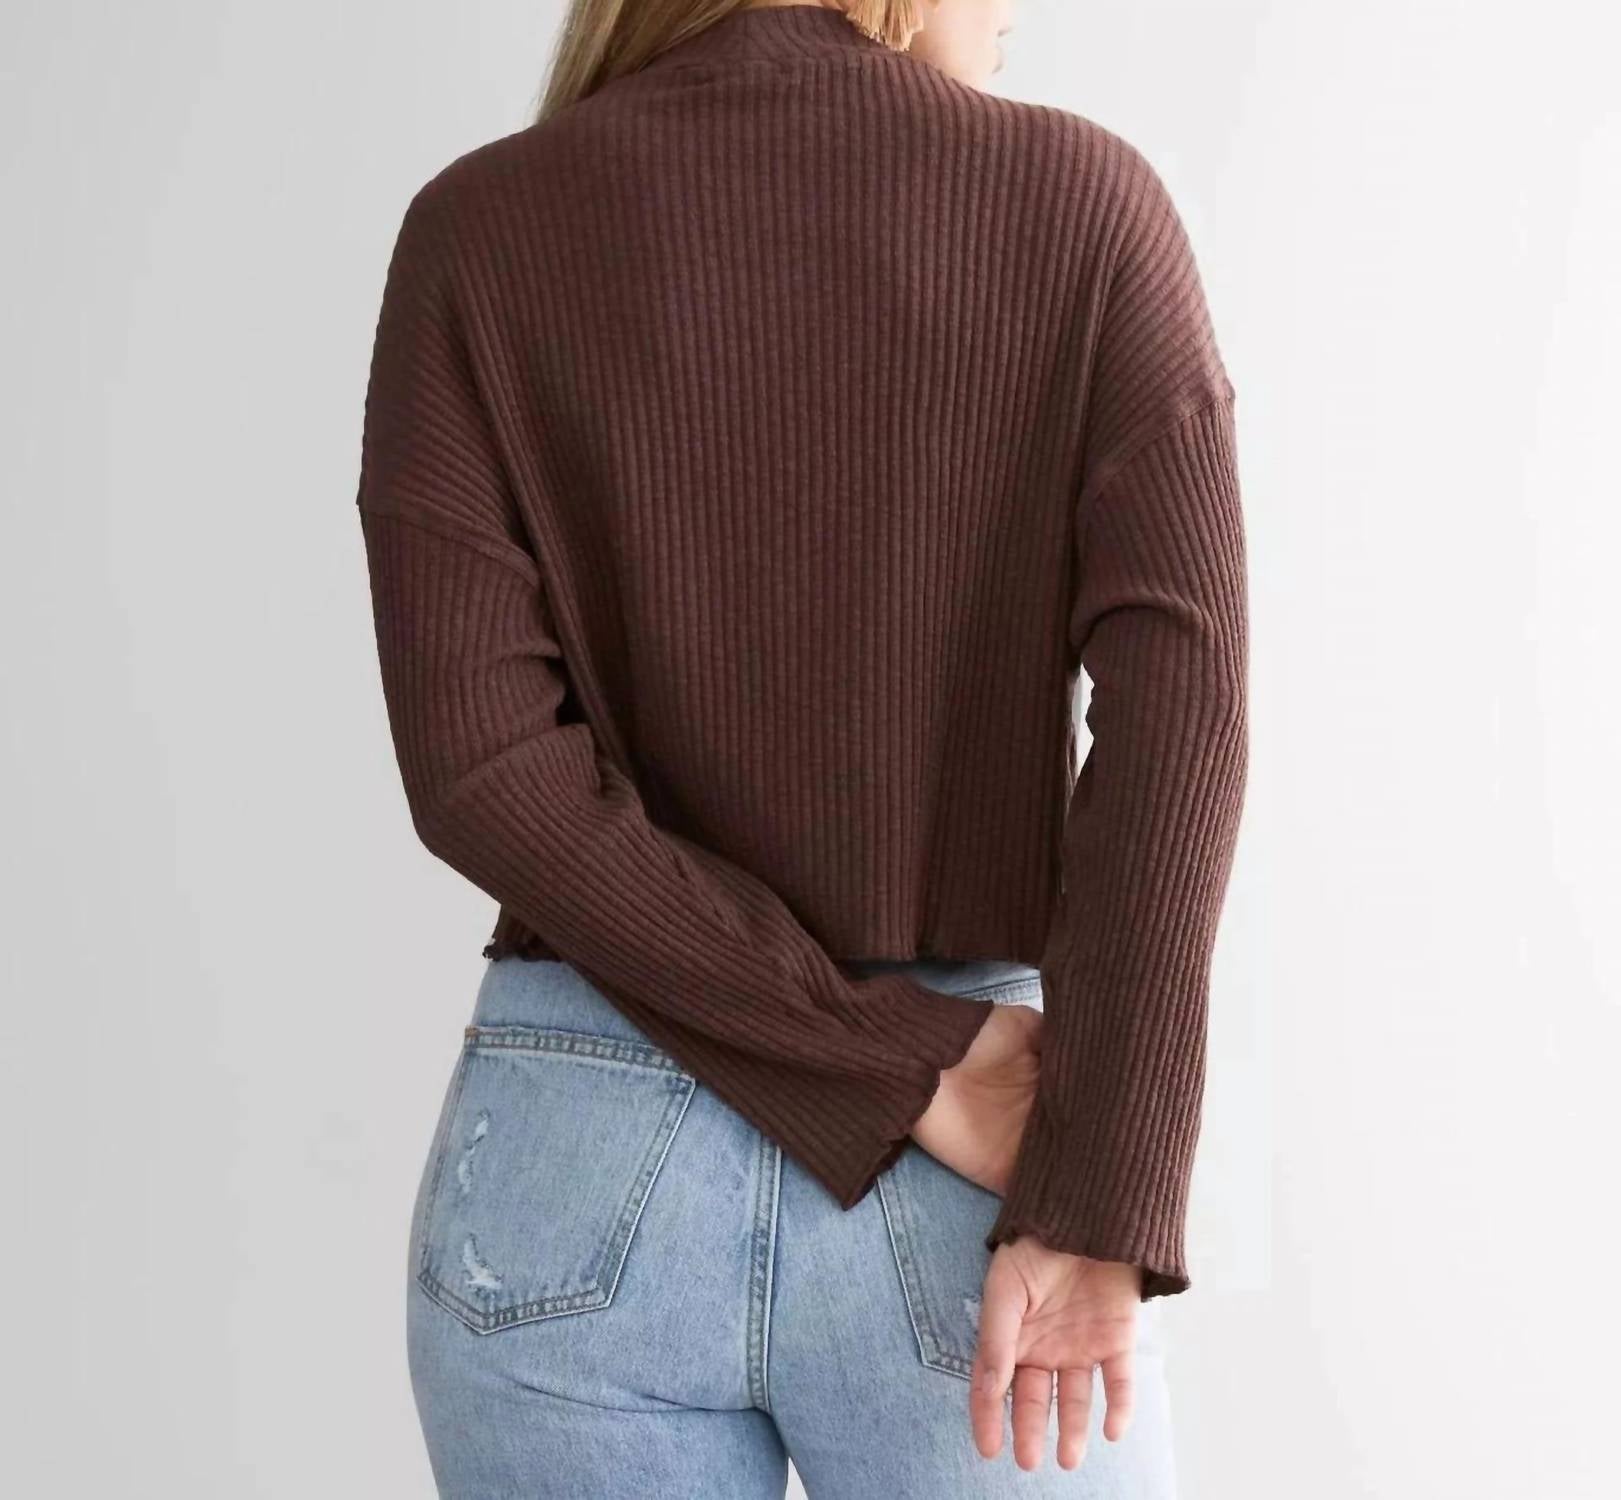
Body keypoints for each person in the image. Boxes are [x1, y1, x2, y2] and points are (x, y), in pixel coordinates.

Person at [353, 1, 1248, 1494]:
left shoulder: (475, 229)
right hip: (975, 1155)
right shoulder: (1085, 205)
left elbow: (485, 774)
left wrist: (928, 1080)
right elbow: (1181, 720)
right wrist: (1092, 1179)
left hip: (579, 1161)